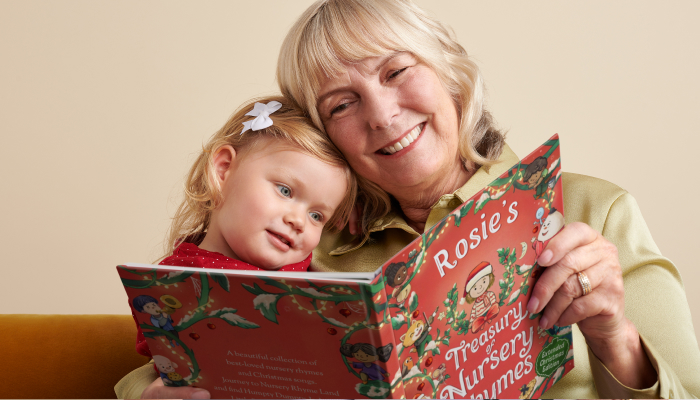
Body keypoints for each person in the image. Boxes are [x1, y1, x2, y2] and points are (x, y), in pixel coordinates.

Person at [116, 1, 700, 398]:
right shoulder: (308, 245)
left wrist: (614, 337)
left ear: (449, 74)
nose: (382, 113)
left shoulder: (592, 210)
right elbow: (168, 363)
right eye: (341, 104)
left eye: (397, 71)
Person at [118, 96, 359, 399]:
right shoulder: (176, 281)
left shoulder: (306, 266)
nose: (299, 221)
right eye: (285, 190)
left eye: (317, 215)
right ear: (223, 170)